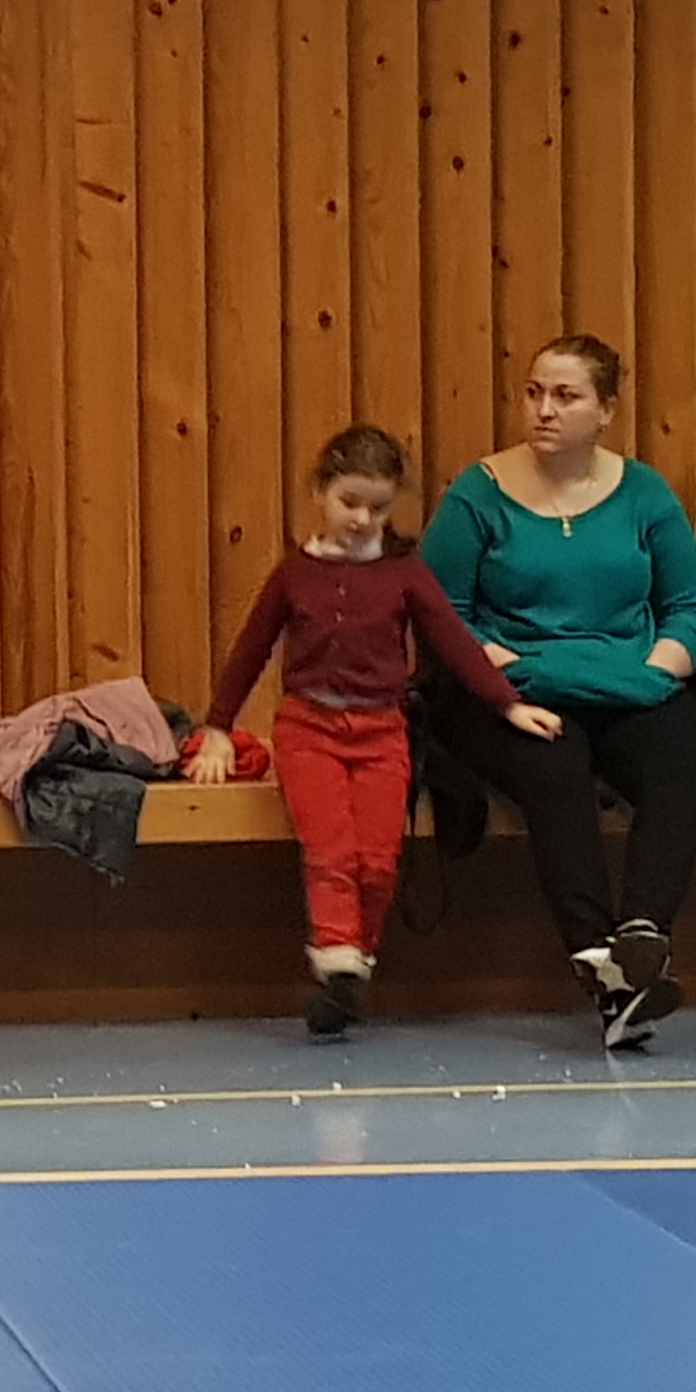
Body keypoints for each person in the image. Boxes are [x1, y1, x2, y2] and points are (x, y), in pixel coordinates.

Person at [186, 425, 561, 1039]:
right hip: (310, 728)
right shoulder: (294, 575)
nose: (362, 520)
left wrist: (508, 705)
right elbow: (251, 651)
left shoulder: (403, 573)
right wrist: (219, 728)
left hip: (382, 731)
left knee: (379, 859)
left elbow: (454, 642)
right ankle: (337, 962)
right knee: (332, 849)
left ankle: (355, 963)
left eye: (378, 509)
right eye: (350, 503)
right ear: (320, 493)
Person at [421, 335, 696, 1050]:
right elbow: (441, 616)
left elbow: (691, 608)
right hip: (510, 687)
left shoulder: (645, 493)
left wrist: (656, 672)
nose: (544, 410)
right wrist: (512, 677)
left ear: (605, 410)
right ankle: (603, 969)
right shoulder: (477, 496)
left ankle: (642, 935)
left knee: (682, 758)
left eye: (565, 396)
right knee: (554, 770)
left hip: (627, 680)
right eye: (534, 393)